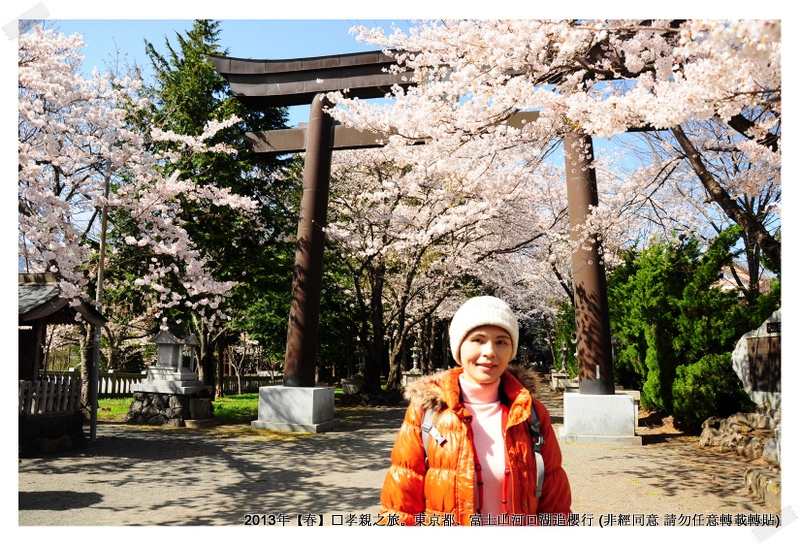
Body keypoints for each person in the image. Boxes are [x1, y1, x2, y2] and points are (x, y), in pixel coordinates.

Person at [379, 296, 572, 526]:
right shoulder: (427, 413)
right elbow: (401, 505)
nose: (490, 351)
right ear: (459, 348)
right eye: (478, 340)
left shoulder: (531, 413)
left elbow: (555, 502)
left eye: (501, 342)